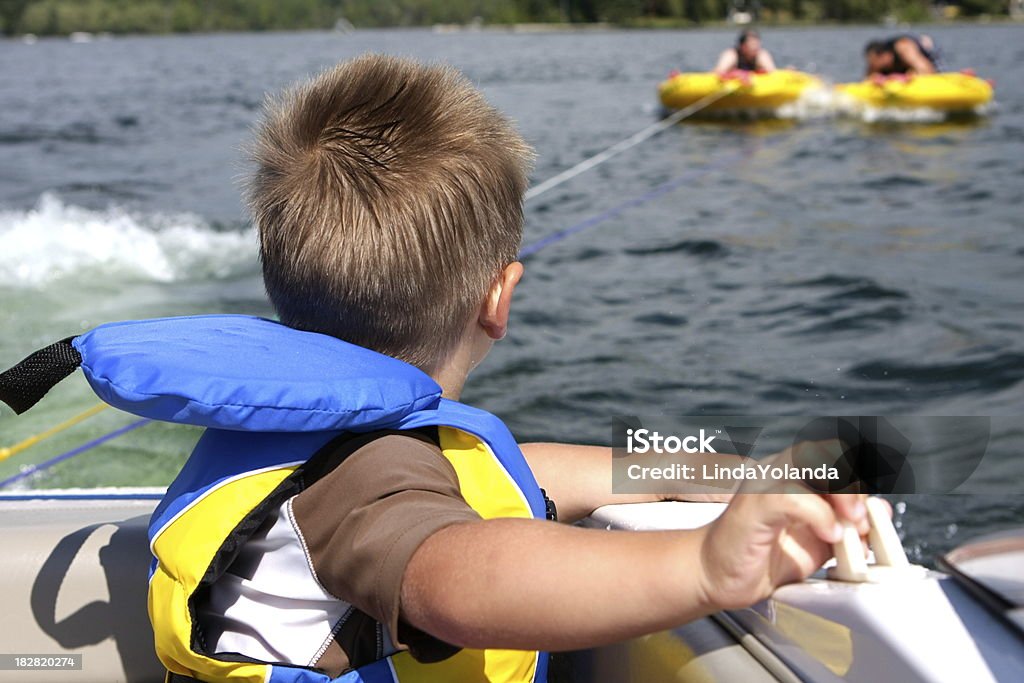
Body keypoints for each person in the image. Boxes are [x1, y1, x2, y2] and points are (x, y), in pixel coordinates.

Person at [0, 55, 872, 683]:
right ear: (501, 295)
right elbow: (455, 576)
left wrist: (738, 472)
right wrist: (706, 566)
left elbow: (534, 471)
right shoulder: (369, 479)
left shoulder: (337, 439)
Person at [864, 35, 939, 76]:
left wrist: (901, 78)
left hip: (934, 68)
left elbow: (928, 71)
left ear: (884, 55)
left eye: (873, 63)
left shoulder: (903, 47)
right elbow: (867, 81)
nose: (873, 67)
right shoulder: (875, 65)